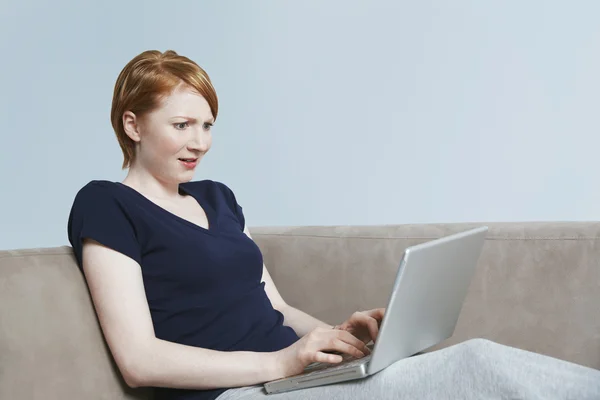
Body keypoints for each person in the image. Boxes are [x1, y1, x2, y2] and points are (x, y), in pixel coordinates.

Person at [68, 50, 600, 400]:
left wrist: (335, 338)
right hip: (239, 392)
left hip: (296, 379)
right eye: (181, 125)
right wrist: (280, 363)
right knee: (479, 369)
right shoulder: (107, 205)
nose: (200, 142)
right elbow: (139, 361)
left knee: (470, 368)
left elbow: (273, 306)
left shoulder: (218, 198)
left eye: (208, 125)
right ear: (132, 124)